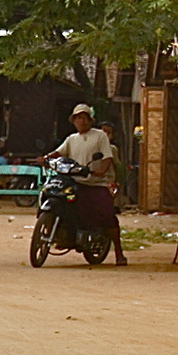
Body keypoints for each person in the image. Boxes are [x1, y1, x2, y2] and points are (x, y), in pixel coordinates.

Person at [46, 104, 127, 265]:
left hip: (96, 183)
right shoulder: (71, 139)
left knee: (107, 214)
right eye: (78, 118)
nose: (81, 121)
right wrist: (46, 157)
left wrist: (101, 171)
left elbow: (107, 157)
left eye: (84, 118)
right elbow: (59, 152)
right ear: (74, 121)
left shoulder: (99, 136)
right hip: (75, 181)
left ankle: (118, 251)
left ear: (90, 120)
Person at [100, 122, 125, 209]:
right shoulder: (92, 146)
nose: (106, 135)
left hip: (109, 179)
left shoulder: (112, 149)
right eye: (103, 131)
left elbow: (117, 165)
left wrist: (118, 180)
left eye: (109, 132)